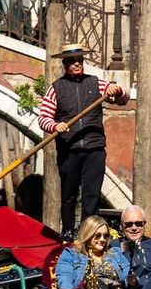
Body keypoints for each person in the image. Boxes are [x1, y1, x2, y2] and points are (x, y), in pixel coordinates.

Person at [36, 44, 128, 241]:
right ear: (65, 63)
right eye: (72, 61)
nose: (77, 63)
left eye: (79, 60)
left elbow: (123, 99)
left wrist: (117, 89)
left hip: (95, 148)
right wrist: (55, 126)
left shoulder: (95, 83)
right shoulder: (56, 89)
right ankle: (68, 233)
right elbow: (43, 118)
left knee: (91, 195)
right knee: (69, 194)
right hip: (69, 149)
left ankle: (89, 233)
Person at [53, 215, 130, 289]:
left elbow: (127, 276)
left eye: (105, 235)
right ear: (88, 234)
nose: (102, 239)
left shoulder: (116, 253)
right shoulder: (71, 254)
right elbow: (65, 279)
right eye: (97, 235)